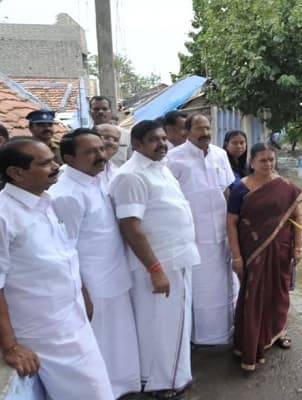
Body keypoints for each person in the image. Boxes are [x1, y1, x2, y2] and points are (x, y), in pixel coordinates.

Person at [0, 137, 114, 399]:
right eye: (45, 163)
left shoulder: (45, 200)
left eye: (53, 159)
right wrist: (10, 347)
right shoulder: (4, 215)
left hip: (71, 317)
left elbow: (65, 254)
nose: (57, 166)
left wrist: (82, 294)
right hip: (43, 330)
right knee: (92, 392)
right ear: (17, 174)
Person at [109, 119, 199, 399]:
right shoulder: (131, 175)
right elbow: (131, 227)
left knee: (165, 324)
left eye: (163, 138)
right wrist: (155, 268)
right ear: (136, 144)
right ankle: (167, 382)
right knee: (165, 325)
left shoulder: (160, 167)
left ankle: (160, 377)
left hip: (176, 257)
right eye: (153, 140)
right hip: (162, 263)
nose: (162, 144)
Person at [49, 129, 141, 398]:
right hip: (93, 285)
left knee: (118, 342)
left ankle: (122, 388)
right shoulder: (66, 194)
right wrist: (82, 292)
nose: (101, 156)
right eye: (91, 152)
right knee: (100, 345)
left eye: (101, 149)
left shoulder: (97, 180)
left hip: (115, 277)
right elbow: (66, 249)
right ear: (69, 158)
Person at [226, 142, 302, 373]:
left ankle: (279, 331)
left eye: (271, 159)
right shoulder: (240, 189)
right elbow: (231, 223)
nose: (268, 164)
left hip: (280, 250)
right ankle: (250, 342)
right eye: (263, 160)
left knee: (278, 293)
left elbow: (297, 217)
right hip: (253, 251)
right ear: (252, 162)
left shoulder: (285, 187)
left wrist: (298, 247)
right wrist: (236, 256)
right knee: (253, 296)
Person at [168, 114, 236, 346]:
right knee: (200, 289)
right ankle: (201, 337)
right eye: (199, 128)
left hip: (221, 231)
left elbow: (227, 190)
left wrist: (233, 224)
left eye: (207, 127)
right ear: (187, 131)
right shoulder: (173, 158)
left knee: (224, 286)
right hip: (193, 235)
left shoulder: (220, 154)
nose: (205, 132)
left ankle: (225, 332)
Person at [90, 96, 131, 166]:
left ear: (111, 112)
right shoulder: (85, 137)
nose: (100, 112)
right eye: (96, 109)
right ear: (90, 112)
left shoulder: (126, 134)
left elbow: (131, 161)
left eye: (104, 109)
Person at [95, 123, 121, 193]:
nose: (111, 143)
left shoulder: (116, 172)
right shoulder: (79, 169)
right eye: (106, 138)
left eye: (115, 140)